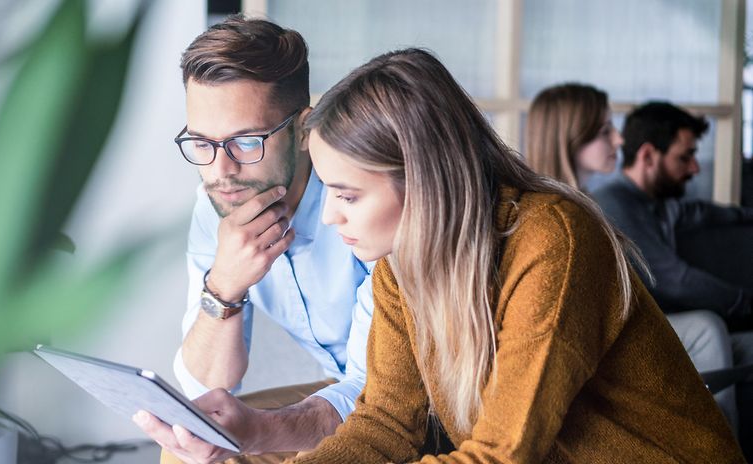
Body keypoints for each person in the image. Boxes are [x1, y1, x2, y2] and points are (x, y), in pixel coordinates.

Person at [291, 48, 742, 463]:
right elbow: (383, 425)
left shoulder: (552, 241)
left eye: (346, 196)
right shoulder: (397, 273)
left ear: (425, 183)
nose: (329, 217)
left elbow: (502, 456)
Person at [132, 16, 374, 464]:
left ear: (303, 130)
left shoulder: (361, 200)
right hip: (344, 389)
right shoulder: (218, 204)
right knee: (189, 446)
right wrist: (224, 286)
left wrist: (260, 431)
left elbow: (381, 391)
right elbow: (206, 390)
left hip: (416, 400)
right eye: (202, 143)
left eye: (245, 142)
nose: (220, 171)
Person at [526, 85, 741, 431]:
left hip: (608, 330)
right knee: (705, 328)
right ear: (571, 138)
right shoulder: (560, 214)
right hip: (587, 345)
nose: (618, 140)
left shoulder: (587, 204)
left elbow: (696, 214)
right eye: (604, 131)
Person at [592, 101, 753, 327]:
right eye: (684, 157)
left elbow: (702, 213)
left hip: (666, 323)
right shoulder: (613, 203)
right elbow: (674, 281)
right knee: (708, 326)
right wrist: (747, 304)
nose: (695, 168)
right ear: (648, 156)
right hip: (632, 334)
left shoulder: (657, 203)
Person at [525, 82, 623, 191]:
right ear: (568, 138)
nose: (619, 140)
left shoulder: (581, 202)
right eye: (605, 131)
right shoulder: (552, 207)